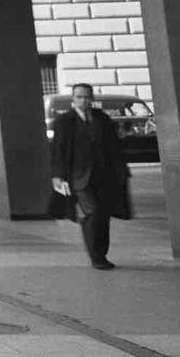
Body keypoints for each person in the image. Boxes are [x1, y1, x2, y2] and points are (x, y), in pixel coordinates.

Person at [51, 82, 129, 269]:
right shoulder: (65, 121)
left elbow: (113, 146)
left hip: (103, 176)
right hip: (79, 177)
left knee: (103, 215)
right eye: (79, 97)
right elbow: (57, 150)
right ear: (73, 99)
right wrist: (57, 175)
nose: (83, 100)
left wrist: (122, 170)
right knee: (93, 212)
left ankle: (101, 252)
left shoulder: (101, 119)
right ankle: (96, 256)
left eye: (87, 96)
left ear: (92, 99)